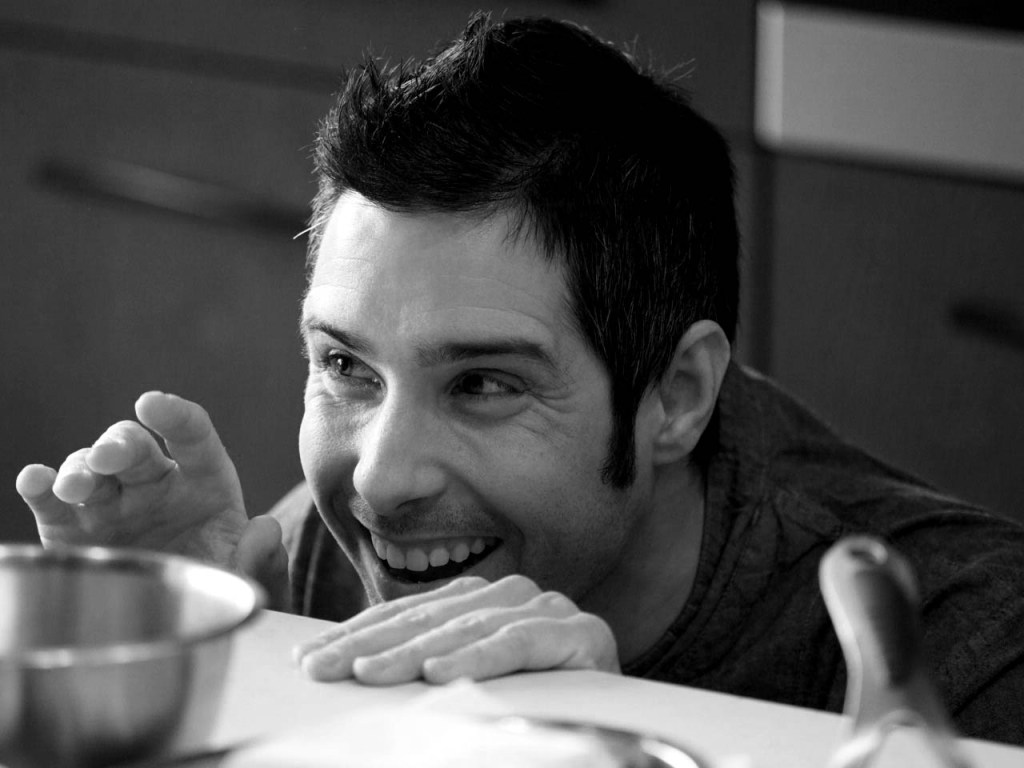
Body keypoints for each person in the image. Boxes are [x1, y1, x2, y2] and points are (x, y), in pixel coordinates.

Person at [15, 13, 1024, 746]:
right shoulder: (325, 552)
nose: (380, 479)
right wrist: (202, 683)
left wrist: (605, 740)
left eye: (484, 385)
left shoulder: (971, 655)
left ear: (676, 396)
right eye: (346, 367)